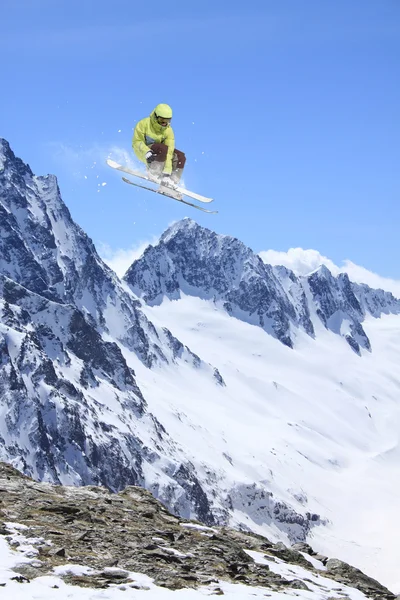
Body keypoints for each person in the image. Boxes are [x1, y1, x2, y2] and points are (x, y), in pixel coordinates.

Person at [132, 103, 186, 193]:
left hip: (161, 153)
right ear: (156, 116)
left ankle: (171, 182)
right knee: (162, 148)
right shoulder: (144, 124)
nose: (164, 123)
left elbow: (169, 152)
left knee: (180, 157)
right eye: (162, 120)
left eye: (167, 120)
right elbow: (136, 142)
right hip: (143, 152)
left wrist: (167, 174)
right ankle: (154, 172)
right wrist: (147, 152)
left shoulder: (168, 131)